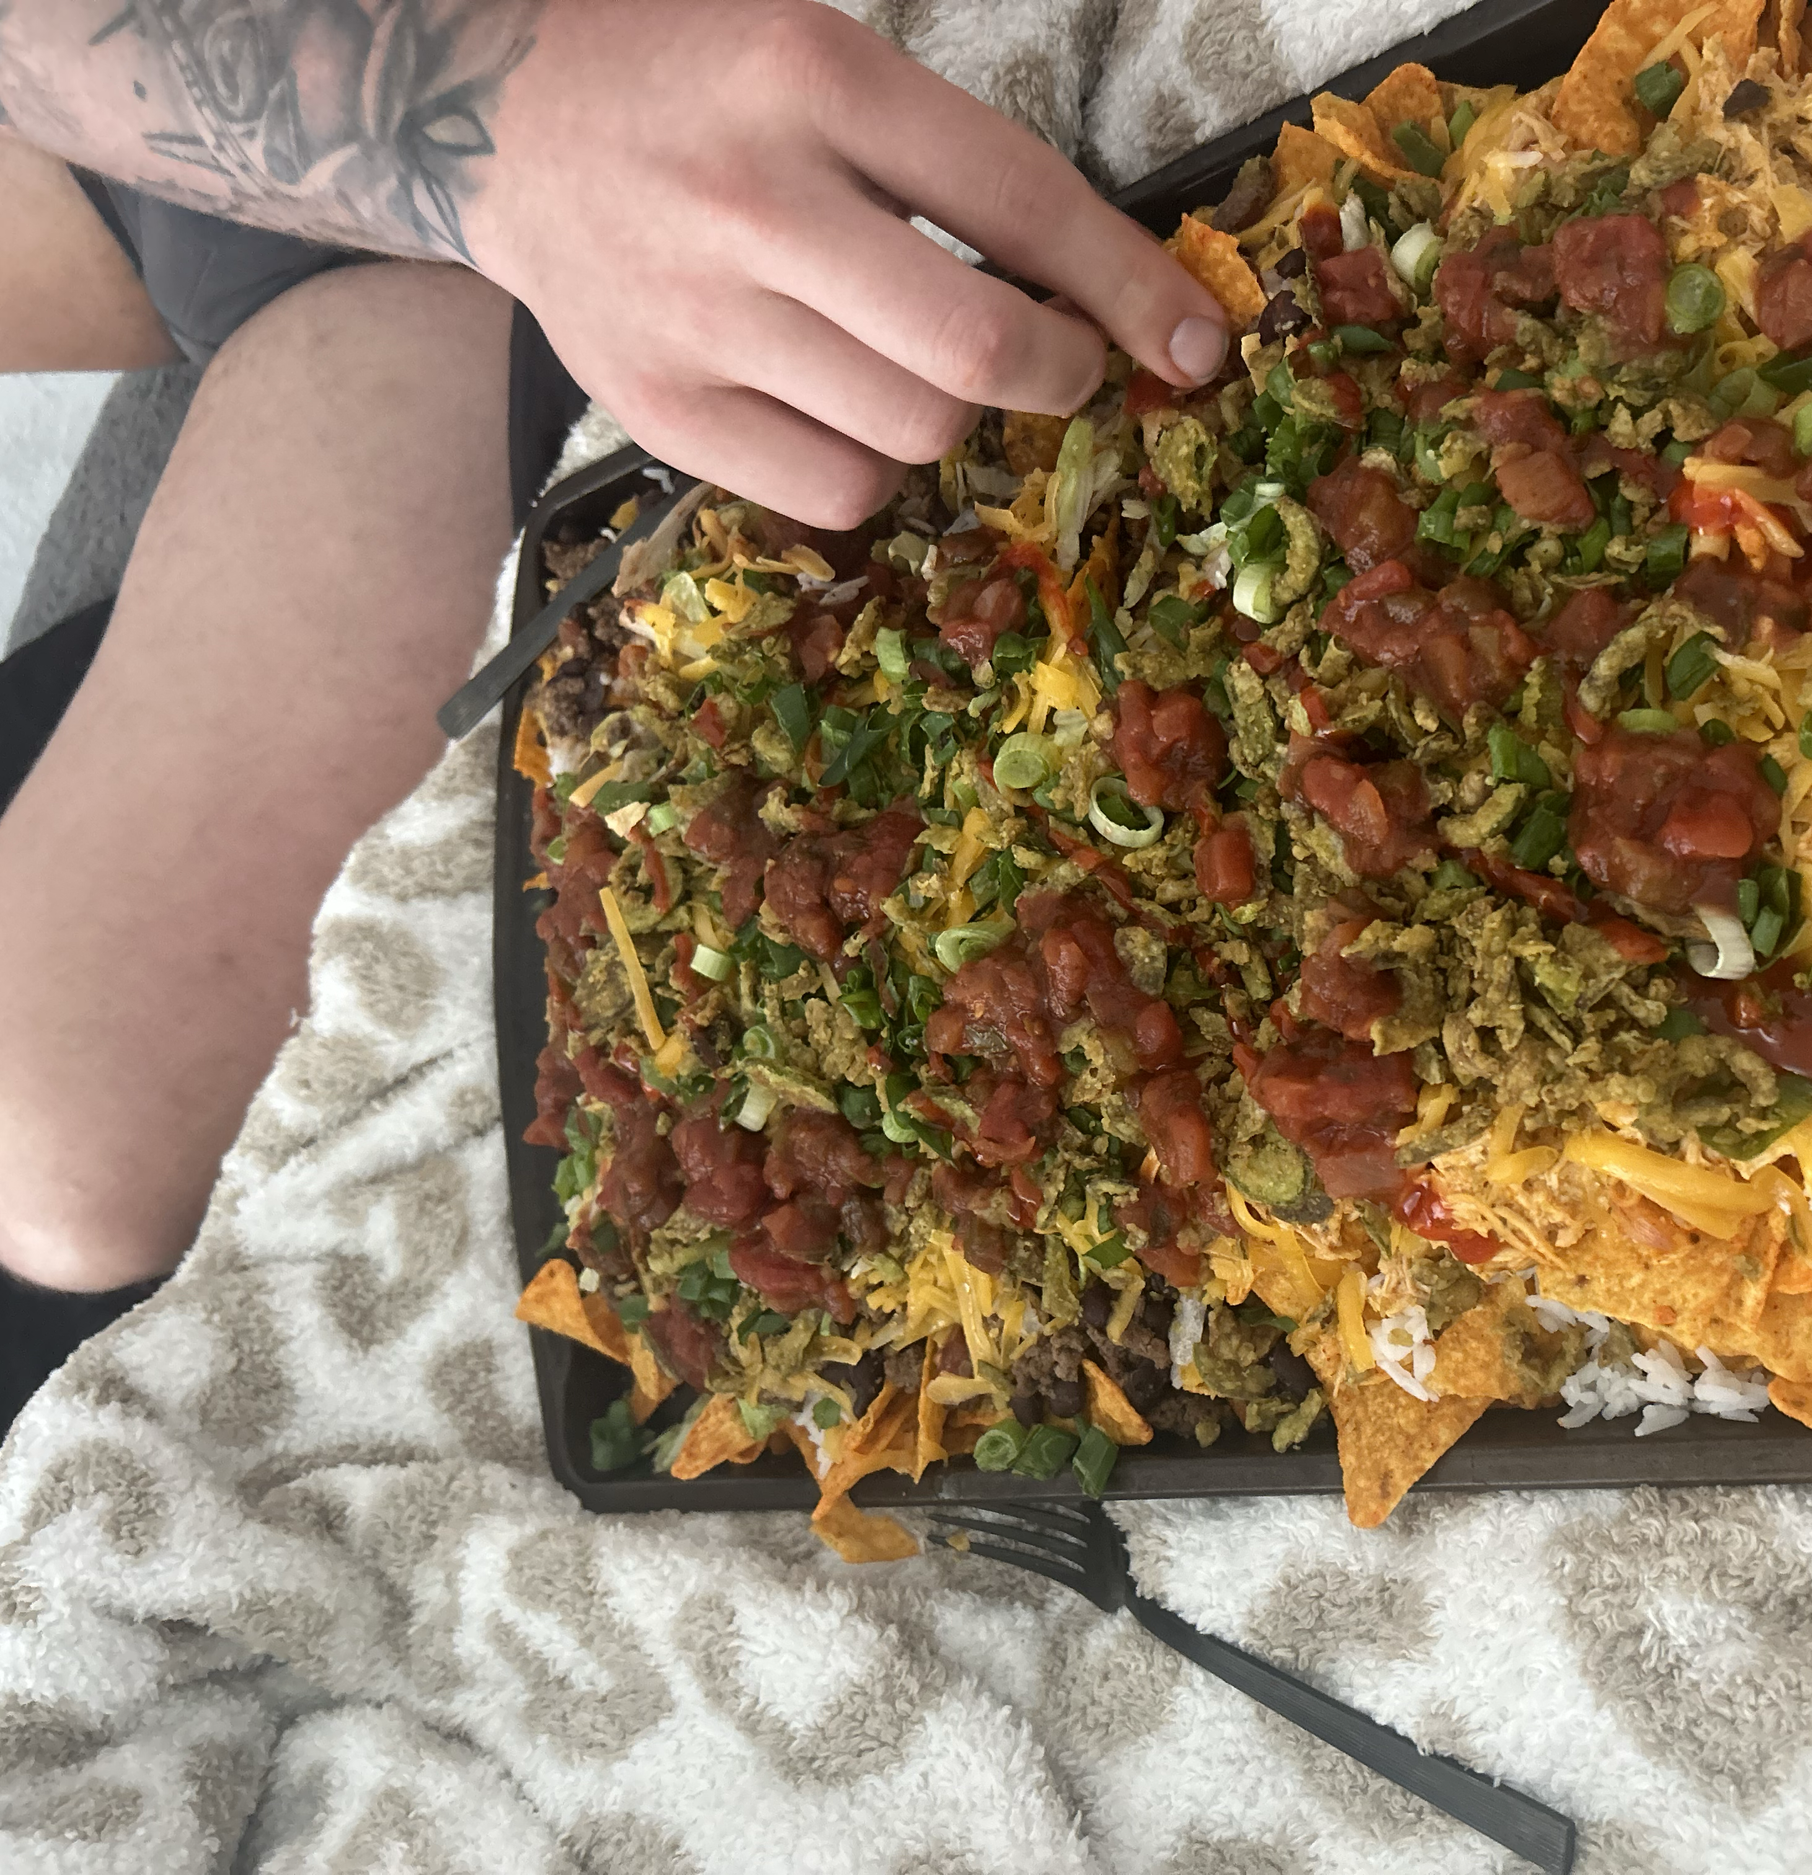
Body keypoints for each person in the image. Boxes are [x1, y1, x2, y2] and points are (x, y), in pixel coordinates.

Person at [0, 0, 1230, 1296]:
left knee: (61, 1156)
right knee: (55, 1185)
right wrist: (503, 114)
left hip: (387, 291)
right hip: (203, 121)